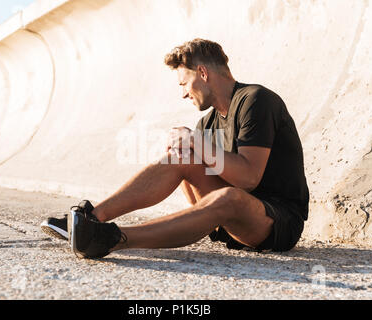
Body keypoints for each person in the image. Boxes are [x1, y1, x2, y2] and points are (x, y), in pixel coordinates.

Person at [40, 38, 309, 259]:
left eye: (183, 83)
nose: (182, 93)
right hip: (230, 222)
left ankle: (112, 238)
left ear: (203, 73)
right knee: (180, 157)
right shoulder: (208, 121)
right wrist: (189, 148)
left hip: (276, 221)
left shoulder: (255, 100)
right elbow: (200, 195)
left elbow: (249, 178)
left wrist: (195, 141)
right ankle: (91, 219)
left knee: (229, 195)